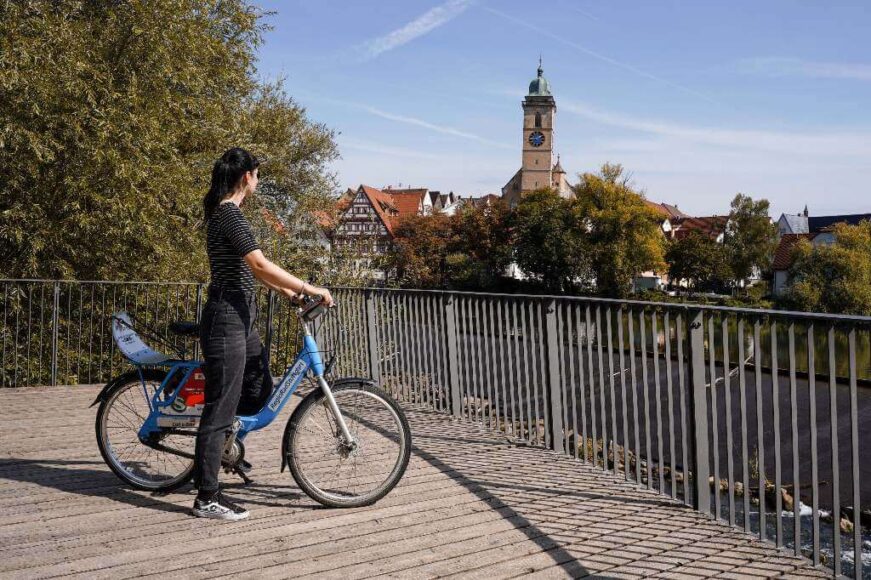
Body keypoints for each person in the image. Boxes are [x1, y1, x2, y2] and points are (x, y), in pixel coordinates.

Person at [192, 147, 334, 521]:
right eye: (257, 174)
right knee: (219, 407)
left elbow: (252, 270)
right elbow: (259, 262)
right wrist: (308, 287)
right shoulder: (229, 214)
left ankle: (226, 444)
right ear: (246, 177)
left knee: (258, 384)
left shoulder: (228, 215)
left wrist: (288, 293)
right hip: (226, 318)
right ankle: (207, 496)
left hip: (240, 316)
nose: (258, 180)